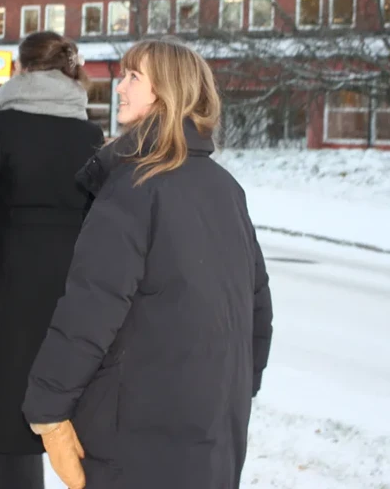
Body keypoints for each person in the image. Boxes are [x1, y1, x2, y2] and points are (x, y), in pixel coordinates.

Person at [21, 37, 274, 489]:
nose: (120, 87)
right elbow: (259, 314)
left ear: (167, 91)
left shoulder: (135, 187)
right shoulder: (226, 190)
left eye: (134, 77)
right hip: (213, 433)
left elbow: (89, 311)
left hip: (136, 433)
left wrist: (48, 411)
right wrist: (229, 394)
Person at [0, 31, 105, 489]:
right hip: (68, 283)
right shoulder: (90, 133)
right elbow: (101, 218)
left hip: (7, 278)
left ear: (24, 70)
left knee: (5, 402)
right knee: (57, 400)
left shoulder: (2, 126)